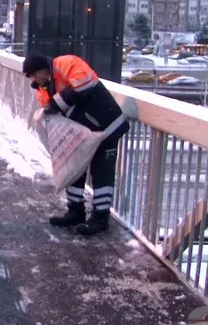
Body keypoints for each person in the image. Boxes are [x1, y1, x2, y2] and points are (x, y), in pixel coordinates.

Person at [22, 53, 130, 236]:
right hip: (84, 133)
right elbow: (55, 115)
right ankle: (75, 211)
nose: (33, 80)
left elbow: (85, 83)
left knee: (101, 172)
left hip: (108, 126)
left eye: (33, 75)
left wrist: (56, 103)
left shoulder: (66, 63)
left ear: (42, 70)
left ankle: (100, 218)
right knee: (73, 168)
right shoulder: (42, 90)